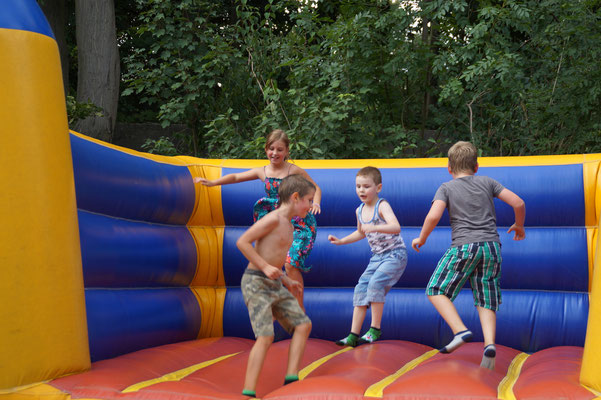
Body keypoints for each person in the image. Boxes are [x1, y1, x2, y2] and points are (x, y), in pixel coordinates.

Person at [411, 141, 526, 370]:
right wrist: (519, 226)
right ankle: (490, 345)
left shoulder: (446, 187)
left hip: (464, 246)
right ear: (476, 166)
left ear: (449, 168)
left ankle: (460, 330)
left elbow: (433, 216)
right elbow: (519, 202)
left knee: (435, 289)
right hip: (492, 248)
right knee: (486, 298)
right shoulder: (488, 182)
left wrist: (421, 238)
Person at [196, 129, 321, 310]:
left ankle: (299, 310)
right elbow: (237, 177)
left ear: (287, 152)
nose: (275, 153)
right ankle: (274, 307)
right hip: (277, 222)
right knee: (271, 261)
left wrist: (315, 203)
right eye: (271, 149)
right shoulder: (263, 171)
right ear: (265, 150)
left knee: (290, 263)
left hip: (300, 223)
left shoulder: (293, 171)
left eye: (279, 150)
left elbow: (315, 187)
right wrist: (214, 182)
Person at [236, 174, 315, 398]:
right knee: (266, 336)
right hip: (255, 281)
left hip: (273, 282)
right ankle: (248, 392)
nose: (311, 206)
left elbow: (275, 259)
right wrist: (263, 267)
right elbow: (242, 241)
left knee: (302, 324)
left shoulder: (290, 227)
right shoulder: (273, 219)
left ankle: (291, 378)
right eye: (309, 200)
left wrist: (286, 279)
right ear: (296, 197)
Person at [328, 166, 408, 347]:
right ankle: (353, 335)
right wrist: (341, 241)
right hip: (377, 257)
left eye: (366, 186)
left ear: (378, 188)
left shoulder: (382, 206)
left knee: (375, 283)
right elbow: (360, 233)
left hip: (395, 254)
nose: (361, 190)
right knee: (361, 288)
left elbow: (396, 227)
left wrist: (375, 227)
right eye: (358, 186)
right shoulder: (359, 210)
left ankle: (375, 329)